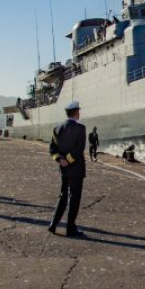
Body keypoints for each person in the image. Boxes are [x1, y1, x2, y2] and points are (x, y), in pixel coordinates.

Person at [49, 101, 87, 237]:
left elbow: (52, 148)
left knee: (63, 196)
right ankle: (70, 228)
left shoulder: (57, 129)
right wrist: (68, 160)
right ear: (76, 112)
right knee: (74, 198)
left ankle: (53, 224)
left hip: (63, 169)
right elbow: (79, 150)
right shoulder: (81, 128)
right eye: (79, 111)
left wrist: (61, 160)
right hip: (76, 169)